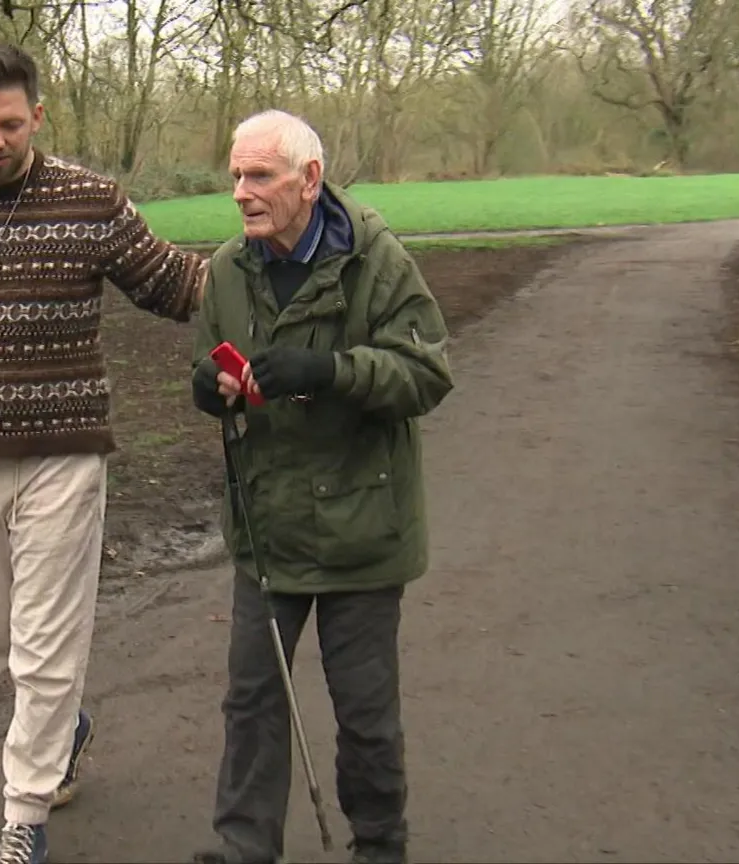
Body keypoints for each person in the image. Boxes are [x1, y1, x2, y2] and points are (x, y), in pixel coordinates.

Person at [0, 42, 208, 864]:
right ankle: (64, 729)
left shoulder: (92, 203)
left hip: (65, 450)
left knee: (48, 640)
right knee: (4, 639)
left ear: (38, 116)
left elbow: (174, 284)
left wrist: (274, 265)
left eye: (12, 125)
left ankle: (23, 820)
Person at [187, 109, 454, 864]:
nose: (241, 191)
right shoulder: (225, 272)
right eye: (235, 175)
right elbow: (214, 362)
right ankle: (243, 848)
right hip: (266, 524)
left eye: (259, 175)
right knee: (251, 703)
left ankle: (379, 845)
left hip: (363, 526)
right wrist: (211, 388)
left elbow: (429, 372)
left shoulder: (377, 259)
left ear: (309, 181)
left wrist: (334, 372)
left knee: (365, 712)